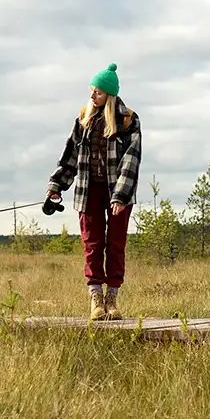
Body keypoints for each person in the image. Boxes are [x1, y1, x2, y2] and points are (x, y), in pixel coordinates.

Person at [47, 62, 142, 320]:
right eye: (91, 90)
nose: (92, 95)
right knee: (92, 244)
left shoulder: (128, 120)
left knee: (115, 245)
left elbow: (131, 160)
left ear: (109, 94)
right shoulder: (84, 118)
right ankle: (96, 300)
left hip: (118, 191)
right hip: (89, 191)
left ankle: (112, 300)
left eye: (97, 91)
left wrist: (120, 196)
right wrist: (57, 185)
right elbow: (70, 154)